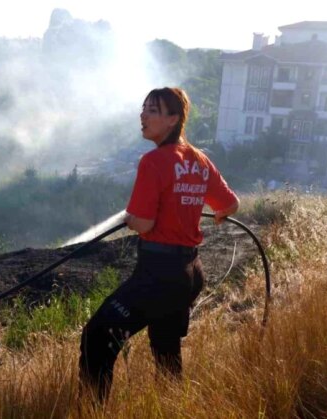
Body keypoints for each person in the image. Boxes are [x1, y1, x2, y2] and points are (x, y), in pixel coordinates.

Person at [79, 87, 239, 401]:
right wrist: (217, 215)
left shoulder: (153, 162)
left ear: (173, 119)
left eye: (153, 110)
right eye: (144, 108)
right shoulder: (200, 160)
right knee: (166, 350)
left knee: (96, 338)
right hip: (189, 273)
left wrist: (131, 218)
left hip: (158, 275)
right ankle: (172, 408)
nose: (143, 115)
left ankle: (90, 412)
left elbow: (144, 223)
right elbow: (230, 204)